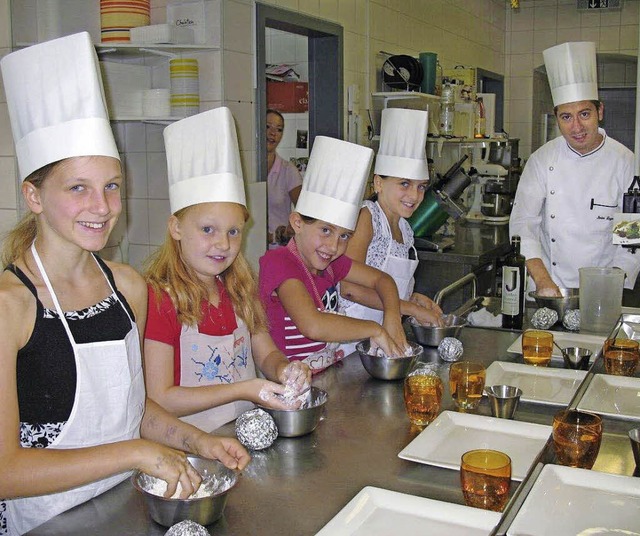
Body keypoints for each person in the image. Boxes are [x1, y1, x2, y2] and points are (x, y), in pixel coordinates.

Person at [0, 33, 249, 536]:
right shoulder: (11, 307)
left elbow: (132, 411)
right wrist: (136, 452)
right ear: (33, 195)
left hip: (123, 506)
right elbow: (5, 472)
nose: (103, 206)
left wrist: (194, 442)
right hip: (45, 522)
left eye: (112, 185)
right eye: (78, 188)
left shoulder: (128, 288)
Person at [144, 107, 311, 433]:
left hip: (243, 433)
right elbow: (160, 399)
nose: (223, 244)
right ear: (176, 227)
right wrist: (244, 389)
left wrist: (285, 369)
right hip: (190, 444)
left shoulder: (239, 288)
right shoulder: (160, 299)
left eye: (233, 231)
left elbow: (265, 355)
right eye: (208, 229)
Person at [259, 136, 409, 373]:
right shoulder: (280, 264)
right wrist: (375, 329)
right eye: (326, 230)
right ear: (297, 222)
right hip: (291, 388)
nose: (333, 246)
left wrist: (392, 315)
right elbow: (313, 325)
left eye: (345, 236)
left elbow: (383, 280)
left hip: (327, 376)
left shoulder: (332, 265)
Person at [510, 41, 640, 296]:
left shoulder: (625, 163)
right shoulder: (541, 160)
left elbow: (630, 239)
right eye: (566, 117)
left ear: (600, 111)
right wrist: (543, 282)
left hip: (604, 286)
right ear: (557, 117)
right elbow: (524, 225)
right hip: (549, 284)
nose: (576, 127)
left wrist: (607, 290)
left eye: (584, 114)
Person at [339, 109, 443, 354]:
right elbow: (350, 288)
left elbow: (388, 285)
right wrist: (409, 309)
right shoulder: (368, 217)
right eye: (404, 184)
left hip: (381, 339)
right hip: (354, 340)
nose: (414, 196)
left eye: (421, 187)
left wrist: (414, 298)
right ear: (378, 183)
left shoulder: (405, 229)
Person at [266, 109, 303, 246]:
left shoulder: (288, 170)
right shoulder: (246, 168)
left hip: (278, 249)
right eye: (267, 126)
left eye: (279, 129)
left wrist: (287, 231)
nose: (272, 133)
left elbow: (303, 211)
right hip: (249, 248)